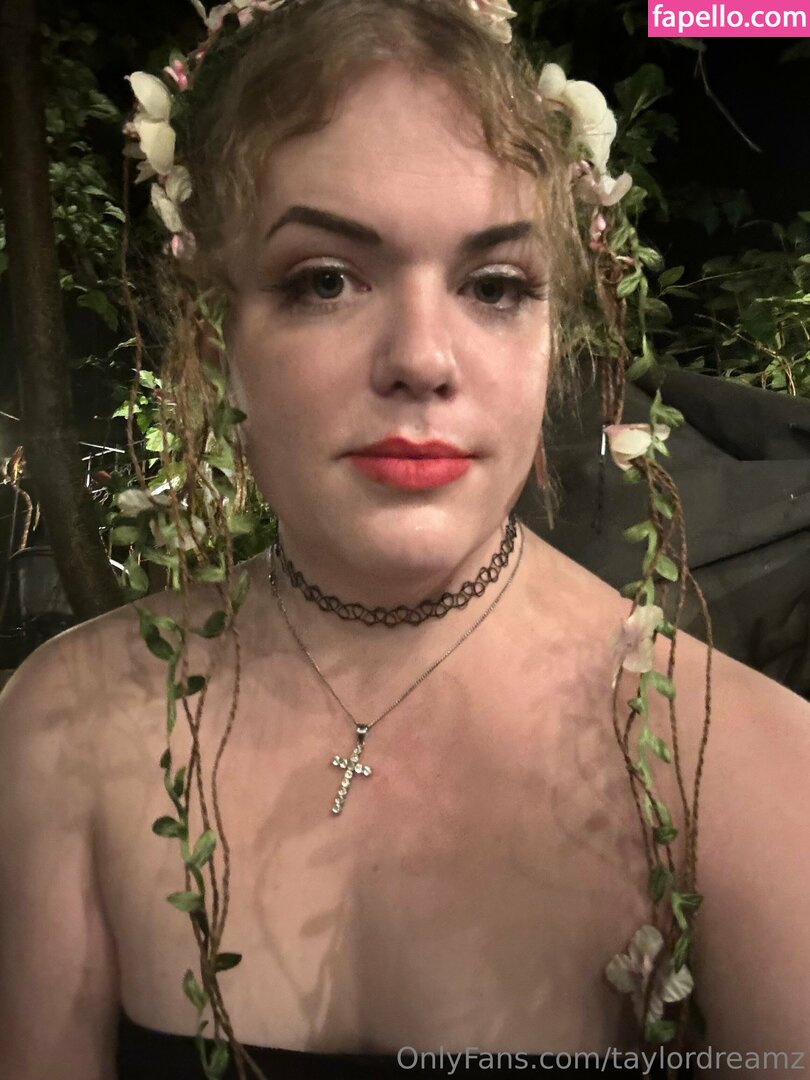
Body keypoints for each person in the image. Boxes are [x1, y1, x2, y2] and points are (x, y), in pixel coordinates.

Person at [1, 1, 810, 1078]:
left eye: (494, 286)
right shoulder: (67, 730)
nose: (422, 359)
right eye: (326, 280)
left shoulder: (750, 769)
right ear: (216, 328)